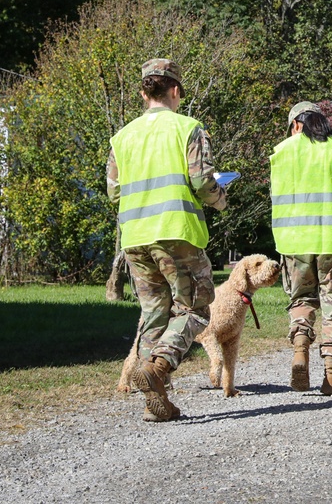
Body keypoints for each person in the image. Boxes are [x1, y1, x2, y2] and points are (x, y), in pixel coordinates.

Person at [107, 58, 227, 422]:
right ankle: (159, 367)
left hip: (135, 237)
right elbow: (202, 182)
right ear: (175, 91)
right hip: (177, 233)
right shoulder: (189, 128)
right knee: (196, 308)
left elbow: (114, 194)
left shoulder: (122, 137)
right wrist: (220, 198)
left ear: (144, 92)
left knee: (153, 313)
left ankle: (154, 403)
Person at [270, 102, 332, 396]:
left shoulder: (282, 152)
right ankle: (331, 375)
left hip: (294, 242)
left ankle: (301, 347)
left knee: (301, 299)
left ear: (296, 125)